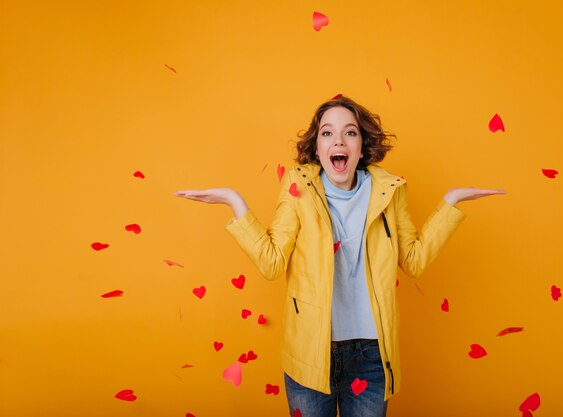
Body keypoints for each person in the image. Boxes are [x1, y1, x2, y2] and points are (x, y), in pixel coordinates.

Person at [175, 96, 505, 417]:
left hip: (373, 355)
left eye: (350, 132)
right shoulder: (297, 188)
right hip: (310, 354)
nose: (339, 140)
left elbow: (414, 261)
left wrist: (450, 203)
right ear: (317, 148)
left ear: (362, 146)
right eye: (327, 133)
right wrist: (234, 202)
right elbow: (272, 263)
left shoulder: (391, 191)